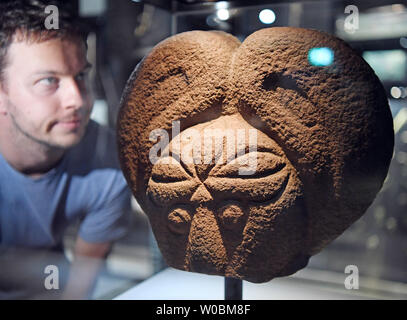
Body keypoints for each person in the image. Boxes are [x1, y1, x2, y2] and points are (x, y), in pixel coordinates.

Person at [0, 0, 131, 299]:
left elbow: (79, 287)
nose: (77, 99)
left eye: (80, 76)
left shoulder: (108, 162)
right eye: (48, 81)